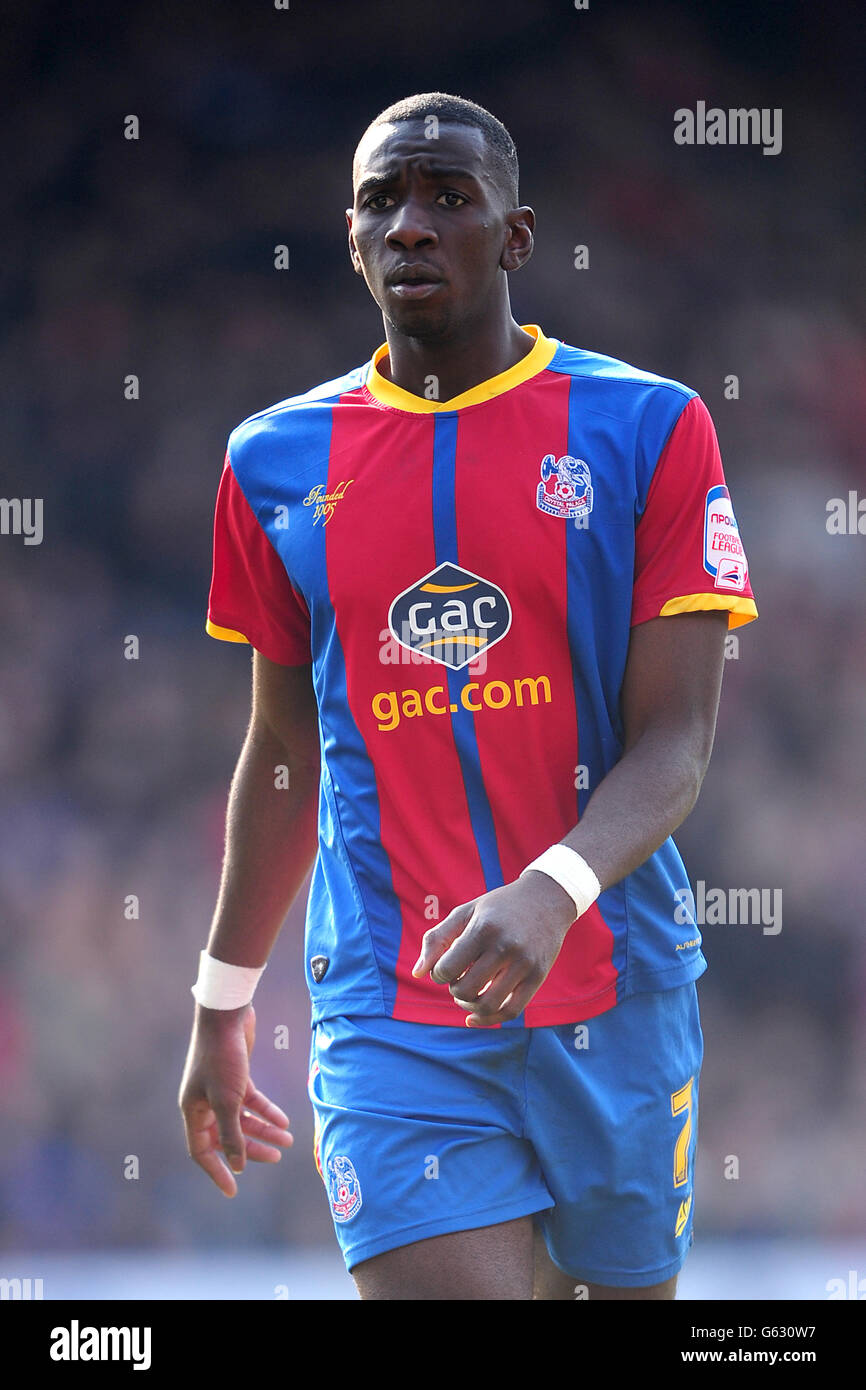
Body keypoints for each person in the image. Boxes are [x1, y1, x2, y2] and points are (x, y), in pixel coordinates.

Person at [178, 91, 757, 1301]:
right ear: (348, 237)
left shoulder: (649, 428)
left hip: (613, 983)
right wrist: (222, 998)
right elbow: (282, 751)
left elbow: (677, 740)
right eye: (383, 201)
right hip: (395, 1001)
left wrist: (550, 892)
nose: (411, 226)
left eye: (448, 198)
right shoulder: (272, 461)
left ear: (516, 234)